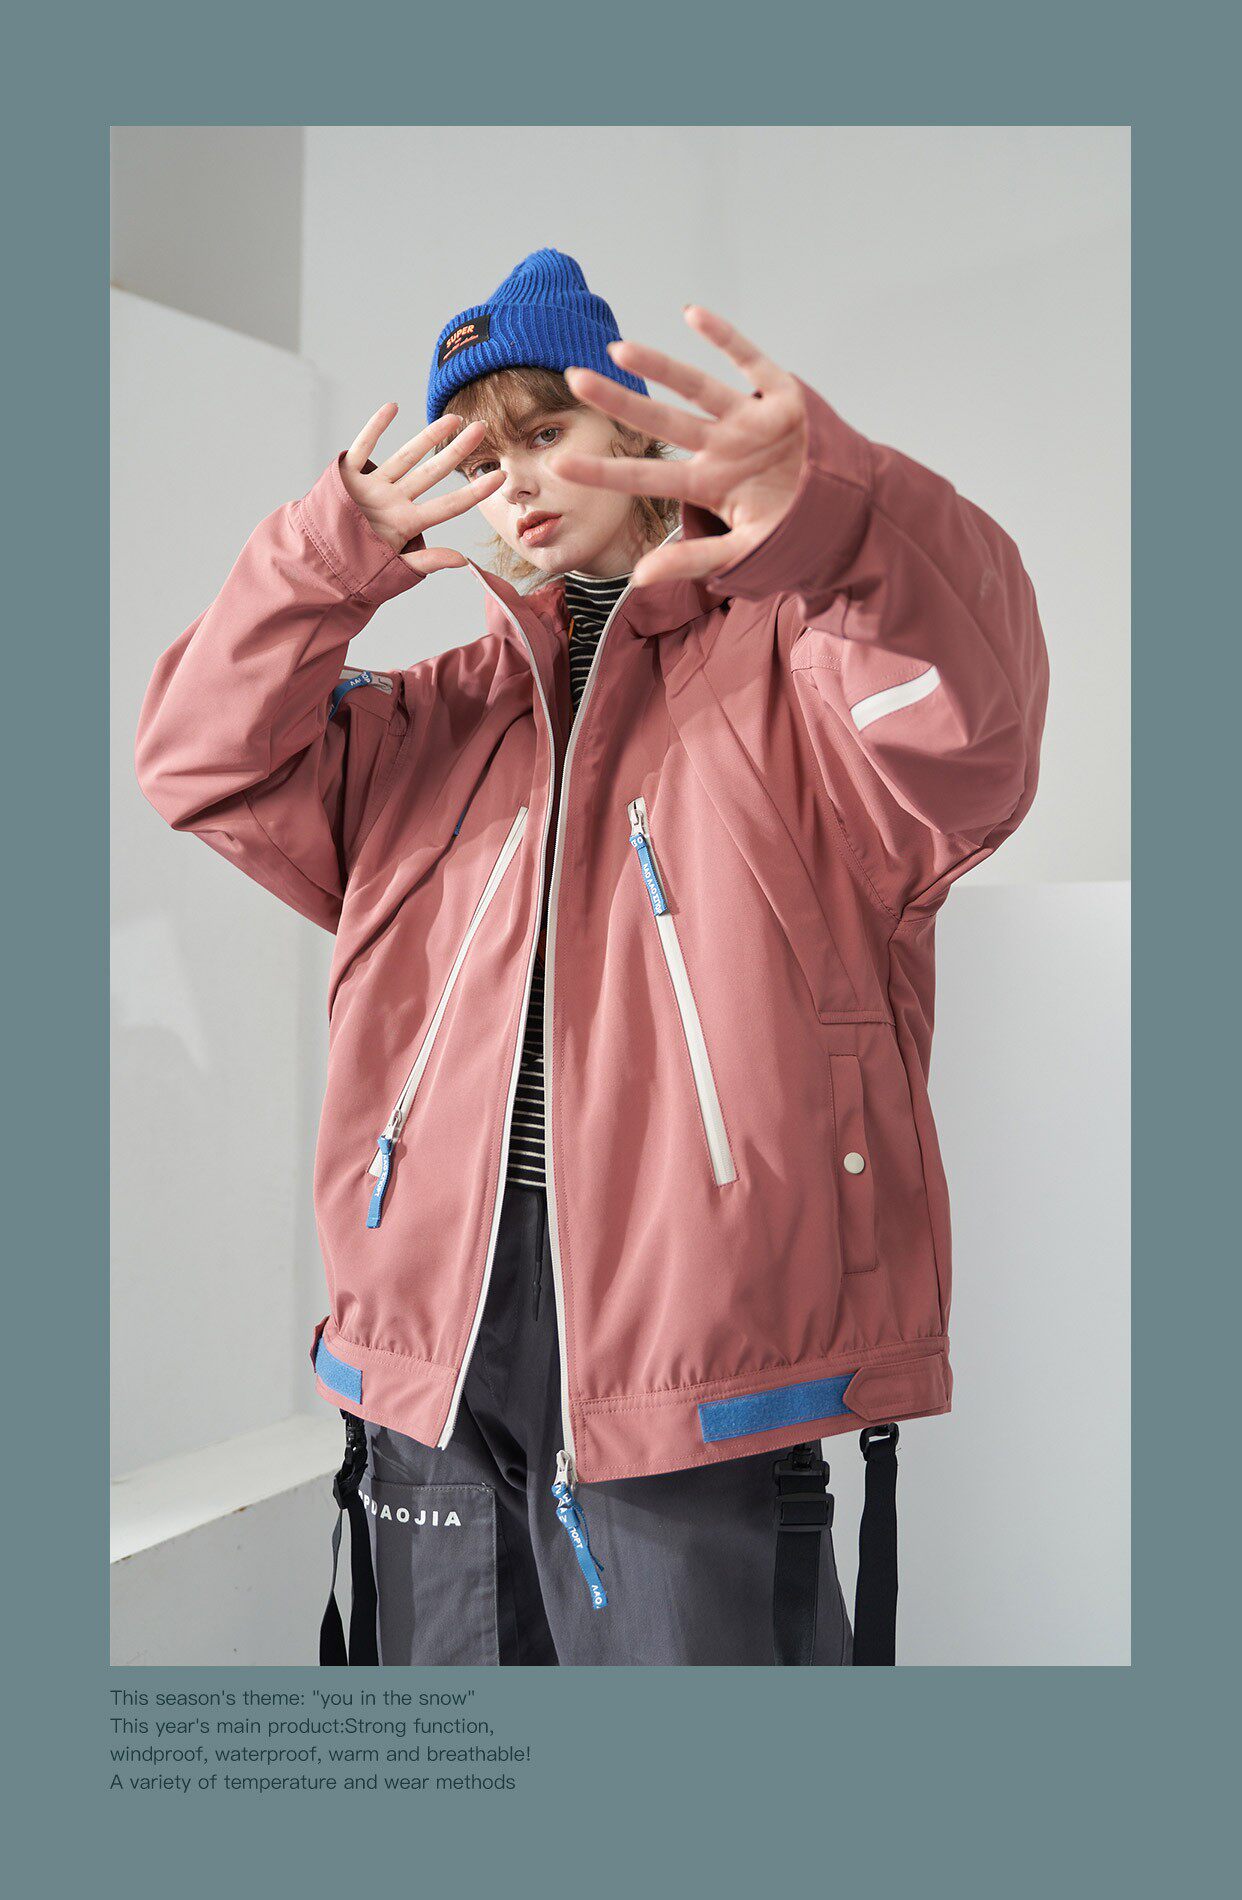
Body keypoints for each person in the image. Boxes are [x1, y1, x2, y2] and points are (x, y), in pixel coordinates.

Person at [134, 248, 1049, 1666]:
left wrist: (840, 516)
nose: (514, 482)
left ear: (631, 431)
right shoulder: (431, 718)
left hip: (688, 1339)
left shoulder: (794, 674)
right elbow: (200, 761)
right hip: (433, 1338)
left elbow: (972, 715)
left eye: (544, 430)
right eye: (479, 456)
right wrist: (326, 557)